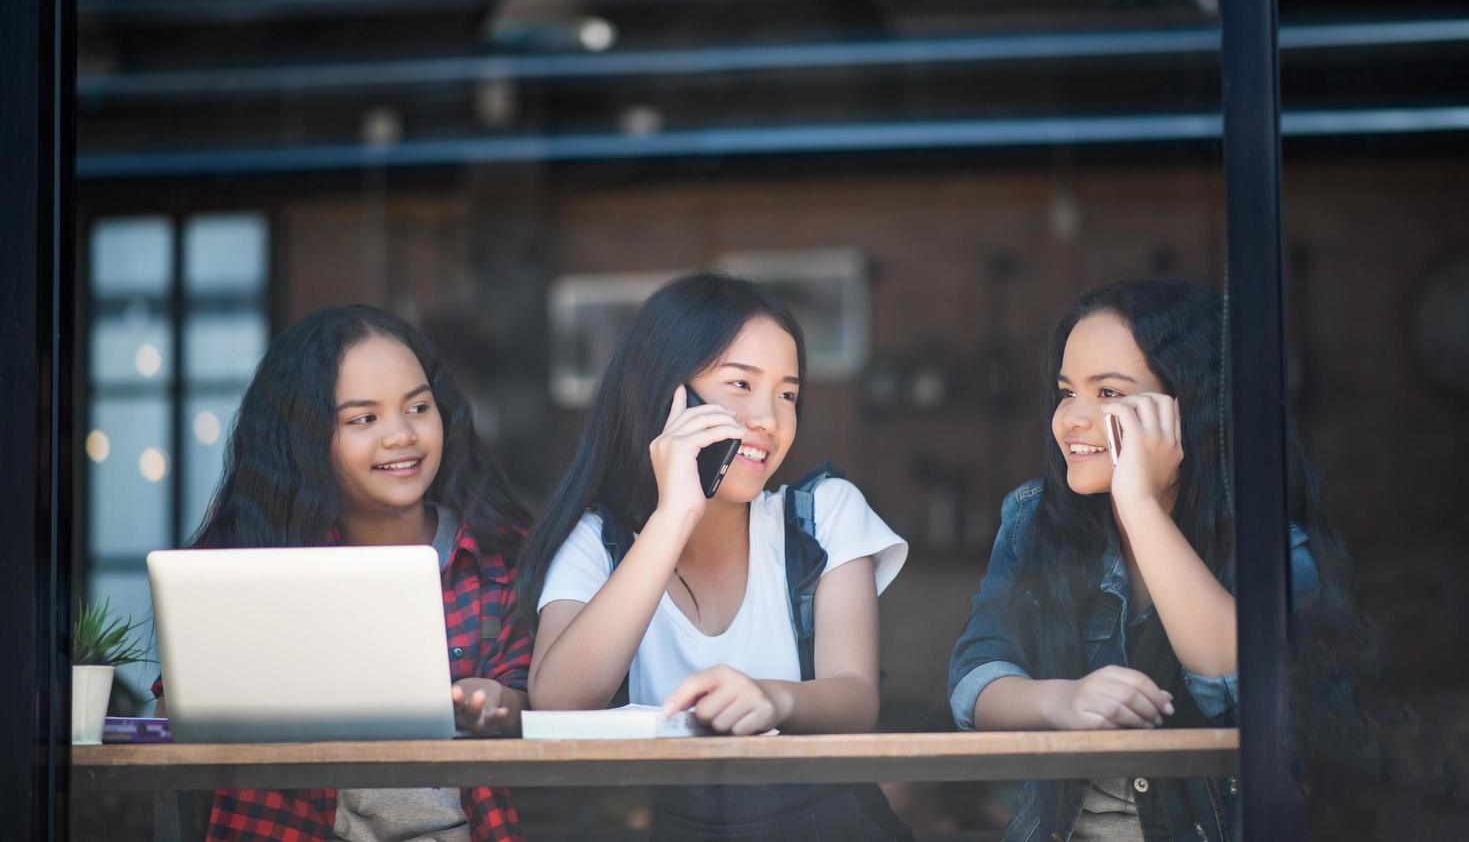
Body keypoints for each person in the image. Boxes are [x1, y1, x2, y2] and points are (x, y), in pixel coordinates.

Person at [948, 278, 1356, 842]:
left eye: (1109, 393)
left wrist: (1139, 503)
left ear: (1187, 407)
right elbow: (975, 680)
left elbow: (1246, 691)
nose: (1071, 419)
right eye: (1067, 392)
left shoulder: (1269, 545)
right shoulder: (1032, 518)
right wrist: (1061, 700)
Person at [519, 272, 912, 841]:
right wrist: (675, 515)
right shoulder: (596, 540)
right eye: (740, 384)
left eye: (787, 394)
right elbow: (557, 703)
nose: (769, 420)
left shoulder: (825, 515)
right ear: (668, 394)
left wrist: (771, 698)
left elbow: (855, 698)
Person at [153, 305, 532, 842]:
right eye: (363, 419)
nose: (401, 435)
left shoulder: (498, 555)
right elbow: (175, 708)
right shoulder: (256, 557)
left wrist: (496, 703)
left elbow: (531, 697)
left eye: (418, 407)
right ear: (305, 437)